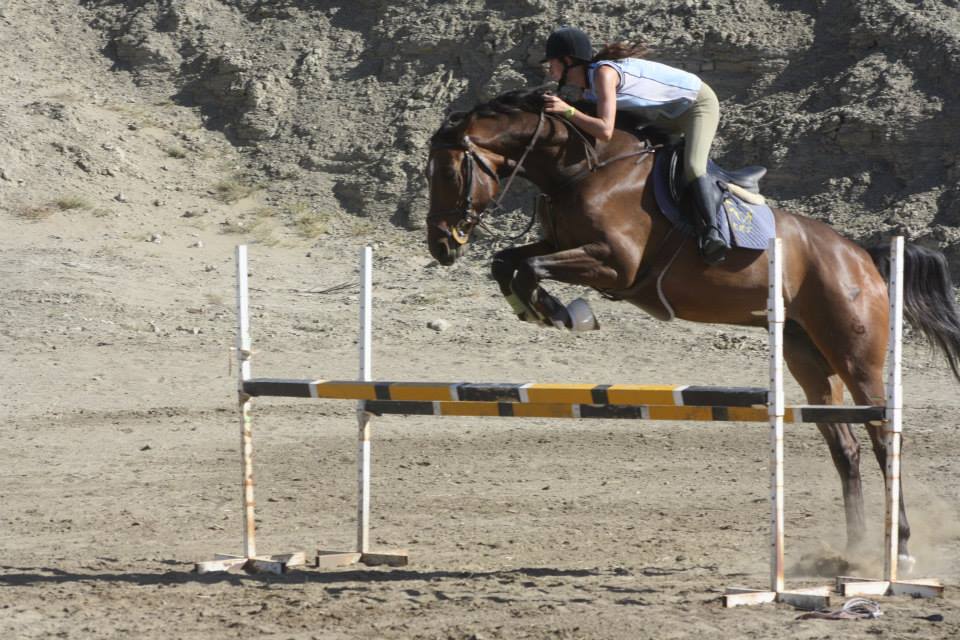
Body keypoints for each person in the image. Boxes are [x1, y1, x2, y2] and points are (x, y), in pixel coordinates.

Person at [540, 26, 727, 264]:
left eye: (552, 62)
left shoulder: (603, 74)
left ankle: (713, 233)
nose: (549, 68)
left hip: (696, 105)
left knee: (693, 166)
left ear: (568, 61)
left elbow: (605, 130)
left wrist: (566, 110)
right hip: (666, 116)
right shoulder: (589, 93)